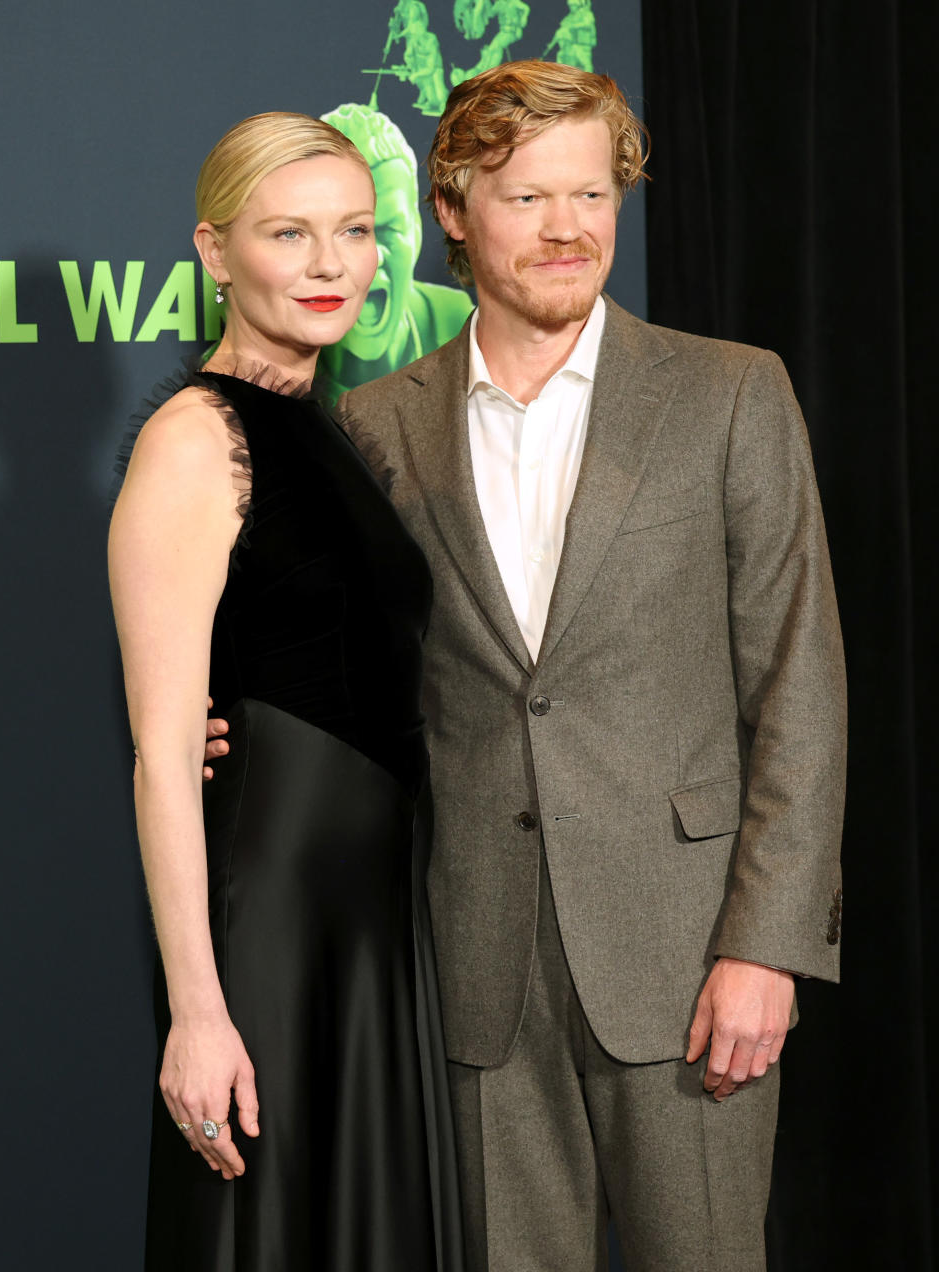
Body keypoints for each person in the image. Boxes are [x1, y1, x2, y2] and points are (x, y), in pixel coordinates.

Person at [206, 61, 846, 1272]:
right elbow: (332, 659)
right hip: (471, 962)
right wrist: (210, 721)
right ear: (451, 210)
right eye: (527, 200)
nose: (569, 231)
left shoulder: (730, 392)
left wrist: (766, 946)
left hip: (688, 958)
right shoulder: (378, 423)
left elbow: (799, 685)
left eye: (593, 196)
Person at [109, 111, 464, 1271]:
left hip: (371, 928)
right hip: (269, 928)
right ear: (217, 253)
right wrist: (197, 1013)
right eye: (290, 233)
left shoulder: (332, 432)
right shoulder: (195, 439)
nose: (330, 265)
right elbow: (164, 756)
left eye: (355, 231)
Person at [317, 103, 472, 401]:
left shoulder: (453, 320)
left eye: (389, 229)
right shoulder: (267, 364)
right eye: (350, 232)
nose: (371, 258)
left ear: (417, 228)